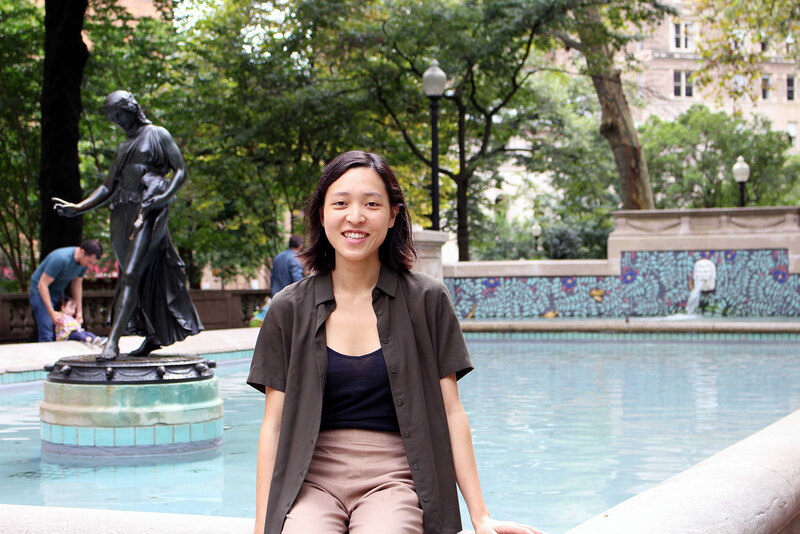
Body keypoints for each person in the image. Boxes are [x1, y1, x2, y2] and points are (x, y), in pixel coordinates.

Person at [248, 151, 542, 534]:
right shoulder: (288, 308)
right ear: (322, 214)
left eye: (371, 204)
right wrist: (261, 525)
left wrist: (480, 515)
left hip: (396, 475)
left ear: (392, 216)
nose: (355, 217)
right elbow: (272, 425)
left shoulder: (427, 300)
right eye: (340, 203)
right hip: (311, 477)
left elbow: (452, 412)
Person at [53, 90, 202, 360]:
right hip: (122, 214)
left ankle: (112, 342)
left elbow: (181, 170)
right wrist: (79, 207)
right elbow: (107, 187)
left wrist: (164, 198)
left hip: (148, 212)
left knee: (131, 274)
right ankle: (154, 335)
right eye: (112, 118)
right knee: (133, 275)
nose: (116, 121)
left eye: (118, 114)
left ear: (130, 108)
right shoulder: (124, 146)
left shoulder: (158, 134)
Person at [29, 240, 103, 342]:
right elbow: (42, 284)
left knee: (63, 330)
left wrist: (79, 312)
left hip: (57, 293)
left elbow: (77, 286)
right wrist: (51, 312)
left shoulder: (83, 264)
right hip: (39, 292)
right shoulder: (60, 259)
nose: (89, 265)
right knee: (47, 330)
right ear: (82, 251)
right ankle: (46, 357)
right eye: (89, 261)